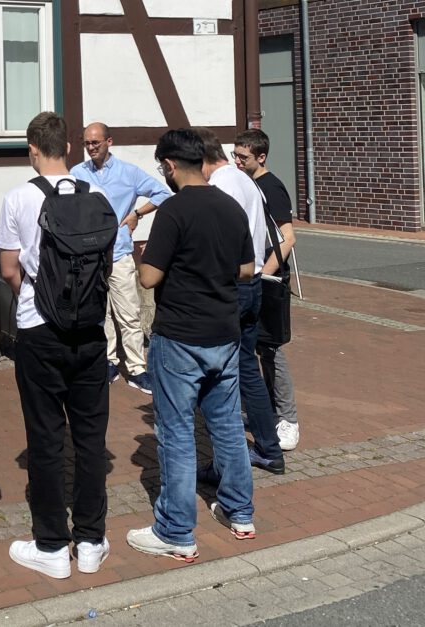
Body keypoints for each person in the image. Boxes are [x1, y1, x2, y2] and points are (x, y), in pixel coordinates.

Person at [126, 129, 257, 561]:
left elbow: (149, 278)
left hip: (180, 336)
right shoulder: (231, 205)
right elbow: (246, 268)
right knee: (227, 426)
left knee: (177, 432)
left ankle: (176, 531)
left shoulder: (172, 210)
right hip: (225, 333)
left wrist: (141, 252)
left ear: (169, 165)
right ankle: (240, 512)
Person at [0, 112, 112, 580]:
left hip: (39, 328)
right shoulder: (97, 195)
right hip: (89, 330)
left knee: (45, 438)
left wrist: (36, 294)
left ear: (32, 149)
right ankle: (90, 540)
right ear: (67, 147)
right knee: (90, 437)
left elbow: (9, 269)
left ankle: (50, 545)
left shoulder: (18, 198)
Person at [192, 126, 286, 476]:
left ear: (202, 159)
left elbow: (221, 240)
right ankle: (268, 449)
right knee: (246, 370)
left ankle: (226, 465)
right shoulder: (245, 181)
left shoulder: (221, 185)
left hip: (232, 285)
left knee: (218, 375)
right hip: (253, 283)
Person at [70, 122, 172, 394]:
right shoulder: (77, 173)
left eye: (95, 142)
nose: (91, 147)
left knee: (128, 312)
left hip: (118, 252)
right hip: (90, 255)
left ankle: (137, 367)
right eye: (87, 143)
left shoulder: (128, 172)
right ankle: (109, 361)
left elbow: (163, 193)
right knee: (100, 312)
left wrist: (137, 214)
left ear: (109, 142)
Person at [233, 129, 300, 451]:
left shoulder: (271, 186)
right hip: (256, 278)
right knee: (256, 346)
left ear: (261, 157)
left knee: (271, 349)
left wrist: (262, 275)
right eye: (234, 155)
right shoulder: (247, 183)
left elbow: (288, 238)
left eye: (243, 157)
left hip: (268, 280)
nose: (237, 161)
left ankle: (289, 419)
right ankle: (267, 410)